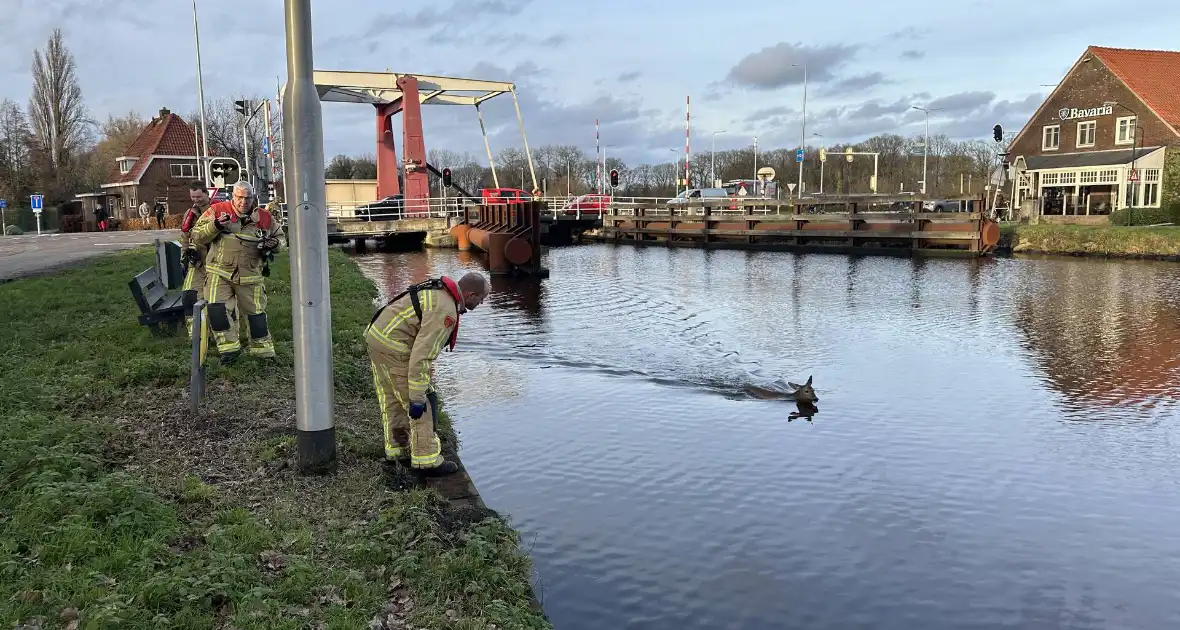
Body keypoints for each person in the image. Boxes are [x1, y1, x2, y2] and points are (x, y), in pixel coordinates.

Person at [365, 271, 489, 476]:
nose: (482, 304)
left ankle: (398, 449)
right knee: (421, 405)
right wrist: (417, 396)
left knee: (393, 400)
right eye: (481, 298)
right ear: (469, 294)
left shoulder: (439, 293)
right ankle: (427, 461)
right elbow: (421, 357)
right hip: (395, 348)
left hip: (379, 339)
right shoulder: (445, 311)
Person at [190, 180, 283, 363]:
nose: (243, 202)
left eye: (247, 198)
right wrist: (215, 226)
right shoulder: (217, 211)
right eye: (240, 198)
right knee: (217, 310)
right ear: (233, 196)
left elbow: (281, 238)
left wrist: (275, 244)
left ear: (253, 198)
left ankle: (262, 351)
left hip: (251, 273)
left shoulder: (264, 217)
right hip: (219, 271)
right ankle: (229, 350)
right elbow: (197, 235)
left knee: (256, 313)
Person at [180, 181, 212, 337]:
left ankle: (218, 332)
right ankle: (196, 335)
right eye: (193, 197)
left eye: (199, 196)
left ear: (206, 193)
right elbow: (185, 236)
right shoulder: (190, 213)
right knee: (189, 295)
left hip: (216, 262)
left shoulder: (218, 210)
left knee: (216, 299)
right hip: (197, 262)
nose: (196, 200)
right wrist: (184, 257)